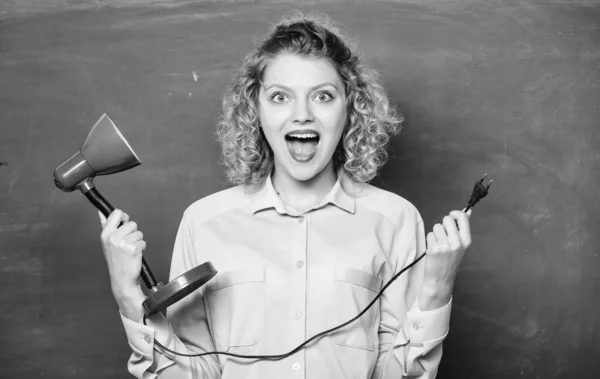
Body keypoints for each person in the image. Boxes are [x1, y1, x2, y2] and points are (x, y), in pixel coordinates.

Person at [98, 12, 472, 379]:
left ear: (351, 108)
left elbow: (397, 374)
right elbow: (194, 372)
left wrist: (437, 288)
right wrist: (127, 293)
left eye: (323, 96)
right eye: (280, 97)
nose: (302, 115)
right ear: (255, 109)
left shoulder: (395, 220)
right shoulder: (204, 222)